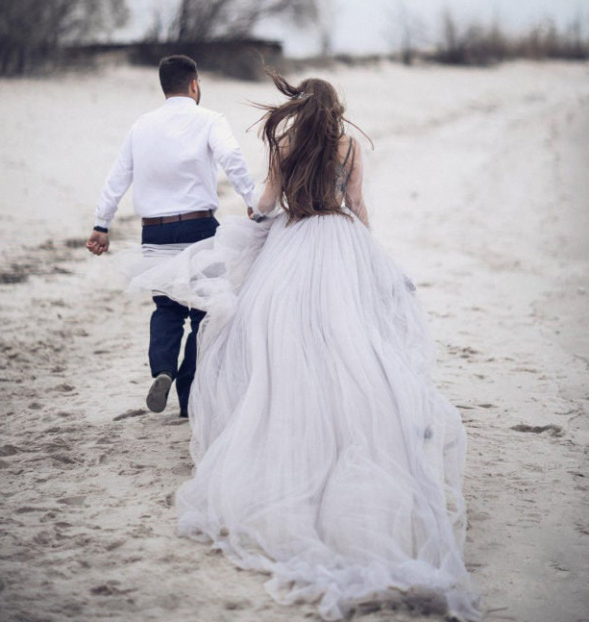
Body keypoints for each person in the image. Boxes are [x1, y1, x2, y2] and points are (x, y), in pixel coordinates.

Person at [130, 71, 480, 620]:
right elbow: (358, 204)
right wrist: (369, 249)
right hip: (340, 241)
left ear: (299, 106)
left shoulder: (287, 143)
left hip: (293, 243)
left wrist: (256, 215)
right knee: (350, 338)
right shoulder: (349, 144)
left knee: (276, 338)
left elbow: (267, 203)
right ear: (336, 107)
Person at [86, 55, 256, 418]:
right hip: (198, 227)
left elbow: (117, 177)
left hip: (155, 230)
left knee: (166, 308)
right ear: (194, 84)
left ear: (164, 87)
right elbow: (232, 157)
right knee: (203, 311)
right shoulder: (209, 119)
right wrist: (252, 201)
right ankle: (189, 396)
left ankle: (163, 367)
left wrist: (102, 224)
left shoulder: (142, 126)